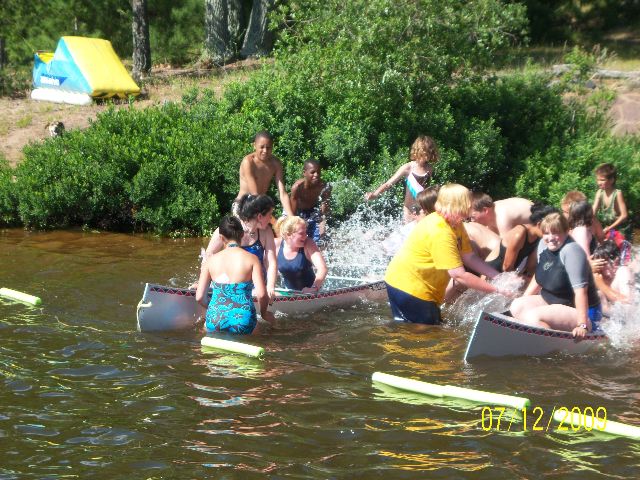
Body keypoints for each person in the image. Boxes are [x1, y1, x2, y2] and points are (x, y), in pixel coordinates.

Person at [384, 183, 510, 325]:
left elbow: (469, 257)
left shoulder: (455, 222)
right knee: (422, 333)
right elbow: (458, 275)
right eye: (468, 201)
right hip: (408, 287)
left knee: (433, 328)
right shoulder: (441, 231)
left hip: (420, 285)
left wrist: (498, 277)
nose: (471, 205)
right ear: (457, 204)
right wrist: (497, 289)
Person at [510, 212, 602, 338]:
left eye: (555, 232)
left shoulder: (572, 252)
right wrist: (524, 298)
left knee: (532, 317)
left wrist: (582, 325)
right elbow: (540, 276)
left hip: (578, 311)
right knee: (516, 306)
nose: (550, 238)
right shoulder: (546, 247)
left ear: (566, 232)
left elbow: (581, 292)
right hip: (550, 302)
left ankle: (546, 345)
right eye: (546, 233)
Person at [196, 216, 270, 334]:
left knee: (204, 328)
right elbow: (261, 295)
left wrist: (216, 309)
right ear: (242, 234)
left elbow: (199, 297)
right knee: (264, 334)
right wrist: (264, 313)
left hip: (215, 318)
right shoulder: (252, 259)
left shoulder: (210, 261)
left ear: (221, 237)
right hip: (243, 320)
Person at [205, 194, 278, 304]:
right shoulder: (229, 228)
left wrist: (270, 287)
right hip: (230, 284)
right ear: (259, 216)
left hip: (256, 287)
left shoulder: (267, 232)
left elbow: (271, 262)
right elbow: (209, 255)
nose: (271, 219)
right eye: (270, 215)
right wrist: (203, 284)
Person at [365, 135, 439, 222]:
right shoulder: (408, 167)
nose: (429, 154)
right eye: (427, 152)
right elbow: (388, 184)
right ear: (419, 151)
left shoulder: (429, 169)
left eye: (430, 151)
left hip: (423, 210)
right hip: (409, 210)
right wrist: (375, 194)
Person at [484, 204, 557, 275]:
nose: (554, 234)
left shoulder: (539, 237)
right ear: (539, 224)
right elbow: (507, 267)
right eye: (552, 229)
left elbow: (530, 267)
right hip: (490, 273)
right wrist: (522, 279)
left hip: (508, 274)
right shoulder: (519, 233)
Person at [235, 131, 294, 217]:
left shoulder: (276, 163)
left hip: (260, 205)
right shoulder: (248, 162)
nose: (265, 151)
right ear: (254, 145)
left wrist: (291, 217)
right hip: (243, 205)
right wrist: (267, 217)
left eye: (268, 147)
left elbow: (282, 193)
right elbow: (254, 194)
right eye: (262, 147)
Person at [275, 216, 328, 292]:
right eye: (301, 233)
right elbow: (265, 267)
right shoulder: (276, 244)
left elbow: (322, 268)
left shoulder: (309, 243)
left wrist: (314, 288)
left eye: (305, 232)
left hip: (311, 293)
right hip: (288, 293)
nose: (306, 236)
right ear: (288, 234)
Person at [290, 159, 332, 243]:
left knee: (320, 240)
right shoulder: (297, 188)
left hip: (313, 212)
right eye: (312, 172)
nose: (316, 175)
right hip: (298, 213)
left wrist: (322, 225)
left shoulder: (324, 187)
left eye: (318, 172)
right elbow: (292, 214)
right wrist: (295, 225)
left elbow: (324, 211)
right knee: (297, 238)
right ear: (304, 173)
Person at [591, 241, 633, 311]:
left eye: (601, 264)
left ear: (615, 263)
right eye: (596, 265)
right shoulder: (600, 276)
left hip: (624, 315)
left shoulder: (622, 272)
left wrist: (601, 285)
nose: (598, 269)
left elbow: (628, 303)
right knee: (599, 294)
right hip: (609, 314)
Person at [592, 163, 629, 239]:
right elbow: (593, 211)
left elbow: (624, 215)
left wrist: (609, 228)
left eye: (602, 180)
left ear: (611, 180)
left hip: (619, 229)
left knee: (611, 242)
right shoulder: (599, 193)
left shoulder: (617, 194)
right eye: (598, 180)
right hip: (607, 227)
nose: (599, 183)